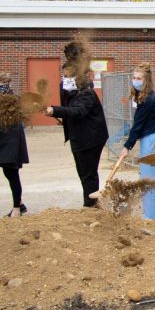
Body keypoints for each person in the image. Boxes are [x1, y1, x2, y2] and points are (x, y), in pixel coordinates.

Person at [46, 66, 109, 207]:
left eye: (68, 76)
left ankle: (91, 205)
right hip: (79, 138)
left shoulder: (86, 93)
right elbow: (69, 108)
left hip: (90, 139)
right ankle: (92, 202)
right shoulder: (72, 92)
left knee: (88, 174)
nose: (64, 79)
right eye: (63, 76)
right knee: (83, 173)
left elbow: (78, 111)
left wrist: (55, 110)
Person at [120, 63, 155, 221]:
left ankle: (151, 215)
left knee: (150, 176)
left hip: (151, 139)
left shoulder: (147, 99)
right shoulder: (151, 96)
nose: (135, 80)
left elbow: (137, 125)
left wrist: (127, 146)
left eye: (139, 78)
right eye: (134, 77)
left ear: (146, 80)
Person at [0, 73, 29, 217]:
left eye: (3, 81)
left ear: (9, 82)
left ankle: (16, 208)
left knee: (12, 174)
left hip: (11, 141)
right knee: (9, 173)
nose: (0, 85)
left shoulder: (11, 99)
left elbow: (2, 119)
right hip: (3, 140)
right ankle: (19, 203)